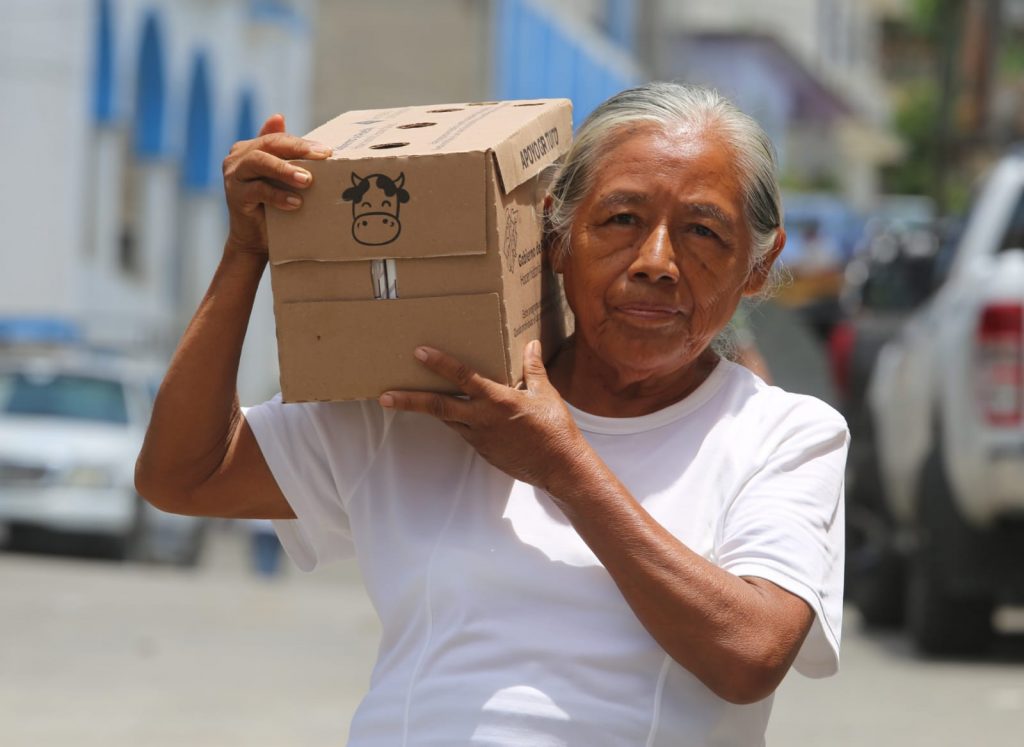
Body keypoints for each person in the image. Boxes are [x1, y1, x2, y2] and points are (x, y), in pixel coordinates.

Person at [136, 82, 848, 746]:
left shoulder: (781, 435)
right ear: (555, 240)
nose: (658, 260)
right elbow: (184, 474)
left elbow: (750, 653)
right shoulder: (433, 396)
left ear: (758, 266)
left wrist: (562, 465)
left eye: (703, 233)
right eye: (622, 220)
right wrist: (245, 253)